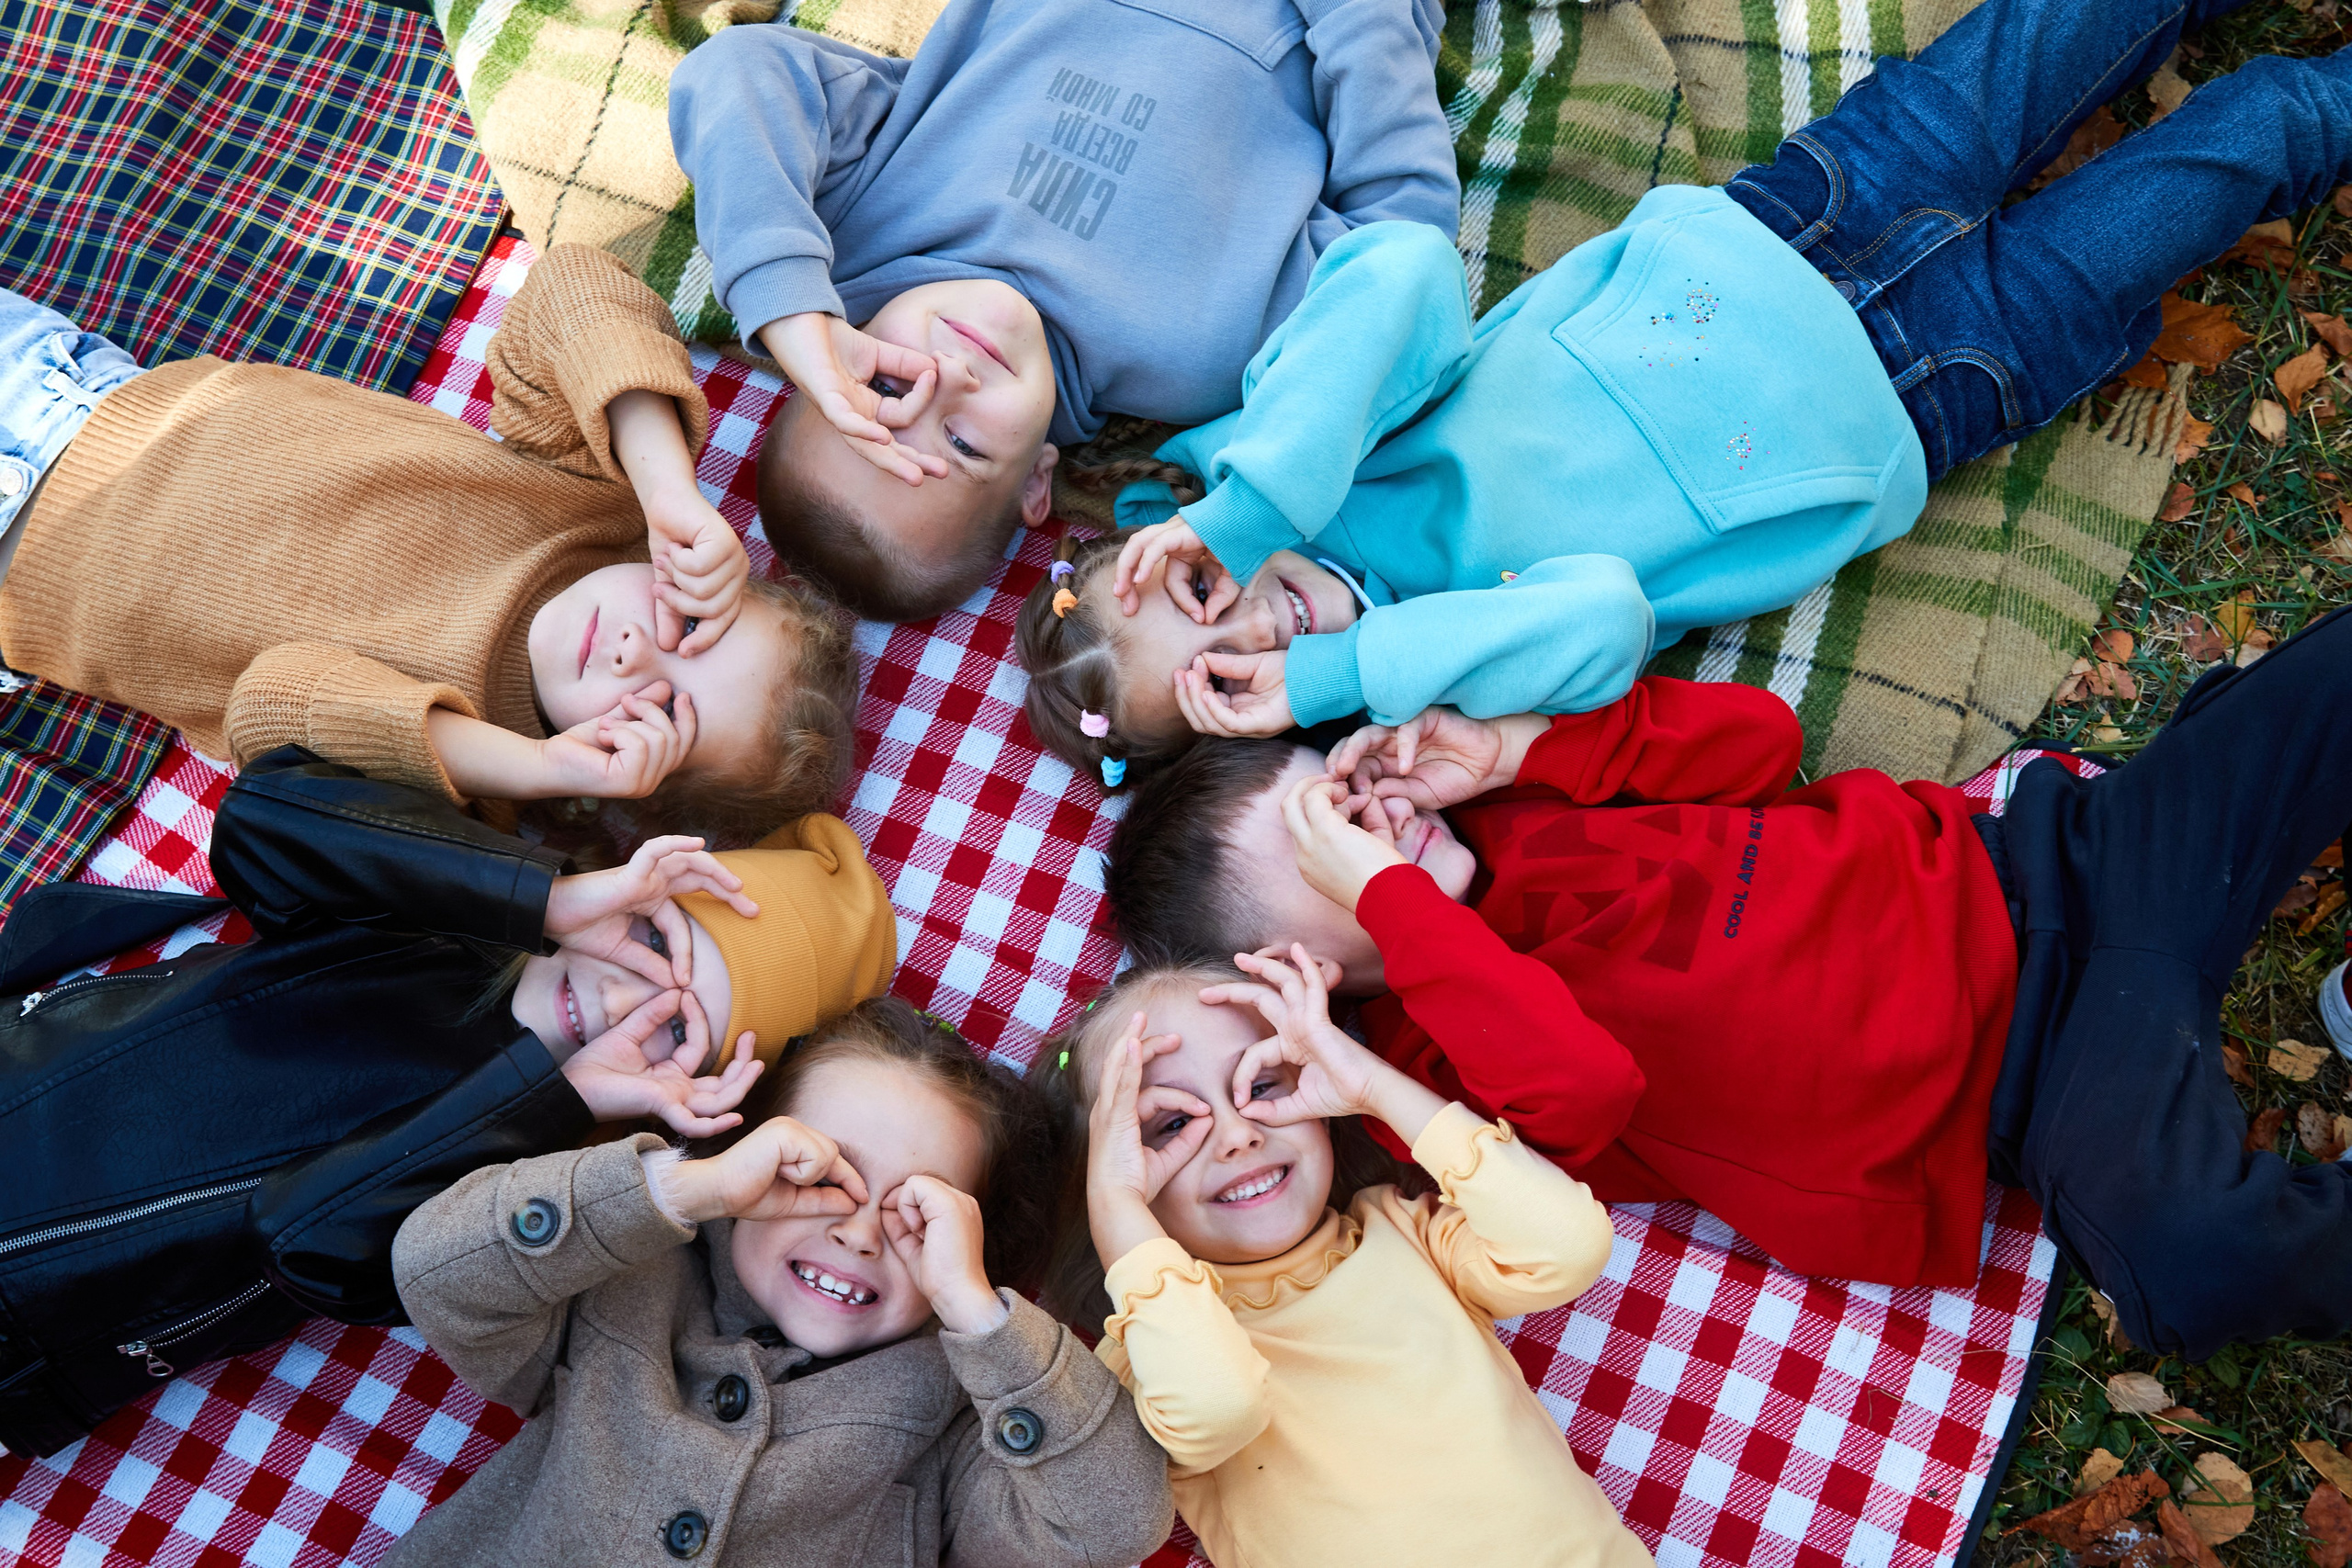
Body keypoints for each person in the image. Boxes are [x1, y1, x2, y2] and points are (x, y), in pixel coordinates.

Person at [1015, 0, 2347, 790]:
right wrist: (1339, 673)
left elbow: (1404, 274)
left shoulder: (1298, 454)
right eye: (1225, 674)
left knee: (2067, 23)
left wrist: (1249, 510)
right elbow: (1604, 610)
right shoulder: (1438, 683)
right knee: (2260, 138)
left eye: (1200, 590)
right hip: (1934, 380)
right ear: (1257, 724)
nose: (1249, 621)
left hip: (1799, 215)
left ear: (1166, 530)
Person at [1102, 591, 2352, 1359]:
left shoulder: (1507, 799)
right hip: (2051, 1076)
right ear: (1304, 969)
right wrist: (1404, 906)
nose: (1378, 827)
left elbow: (1762, 744)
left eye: (1339, 795)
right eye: (1335, 856)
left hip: (2054, 861)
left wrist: (1518, 747)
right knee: (2194, 1257)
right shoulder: (1425, 1063)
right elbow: (1583, 1086)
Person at [0, 746, 898, 1458]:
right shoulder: (432, 918)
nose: (625, 999)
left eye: (678, 1028)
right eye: (654, 939)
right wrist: (546, 896)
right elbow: (259, 814)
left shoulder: (524, 1194)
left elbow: (299, 1238)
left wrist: (559, 1096)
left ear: (690, 1095)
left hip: (26, 1341)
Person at [0, 243, 859, 843]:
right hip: (61, 390)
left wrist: (543, 767)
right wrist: (668, 484)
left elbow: (269, 704)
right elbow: (570, 285)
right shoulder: (594, 505)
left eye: (666, 711)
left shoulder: (466, 773)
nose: (639, 649)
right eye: (691, 619)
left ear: (634, 784)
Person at [667, 0, 1460, 621]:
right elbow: (1400, 237)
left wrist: (787, 305)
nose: (951, 378)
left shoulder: (860, 227)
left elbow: (736, 71)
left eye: (886, 388)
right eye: (963, 442)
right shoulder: (1202, 361)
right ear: (1036, 484)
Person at [385, 997, 1175, 1568]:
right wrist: (685, 1186)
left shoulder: (960, 1422)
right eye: (822, 1175)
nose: (860, 1233)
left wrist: (976, 1311)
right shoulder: (628, 1277)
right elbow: (433, 1270)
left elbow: (1115, 1523)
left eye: (914, 1212)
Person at [1033, 951, 1650, 1568]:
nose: (1238, 1135)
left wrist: (1371, 1085)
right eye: (1170, 1125)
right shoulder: (1145, 1354)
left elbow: (1566, 1247)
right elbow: (1218, 1406)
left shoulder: (1405, 1233)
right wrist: (1117, 1207)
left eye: (1260, 1085)